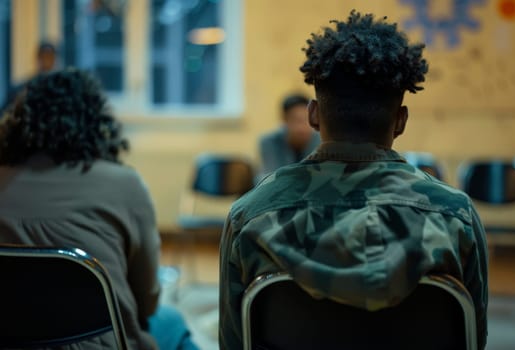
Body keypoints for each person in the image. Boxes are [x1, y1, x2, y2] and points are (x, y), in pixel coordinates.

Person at [220, 10, 488, 350]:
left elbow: (233, 342)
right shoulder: (456, 217)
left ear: (314, 115)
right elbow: (473, 339)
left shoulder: (249, 217)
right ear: (401, 120)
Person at [0, 68, 197, 350]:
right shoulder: (124, 185)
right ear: (95, 120)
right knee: (172, 321)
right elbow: (147, 300)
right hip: (104, 344)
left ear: (19, 124)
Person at [258, 93, 320, 176]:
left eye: (307, 119)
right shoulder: (268, 142)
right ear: (284, 120)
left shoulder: (320, 140)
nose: (301, 127)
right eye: (296, 120)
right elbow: (271, 177)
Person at [1, 41, 58, 114]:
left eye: (49, 58)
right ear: (38, 58)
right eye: (44, 57)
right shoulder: (23, 88)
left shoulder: (58, 90)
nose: (46, 62)